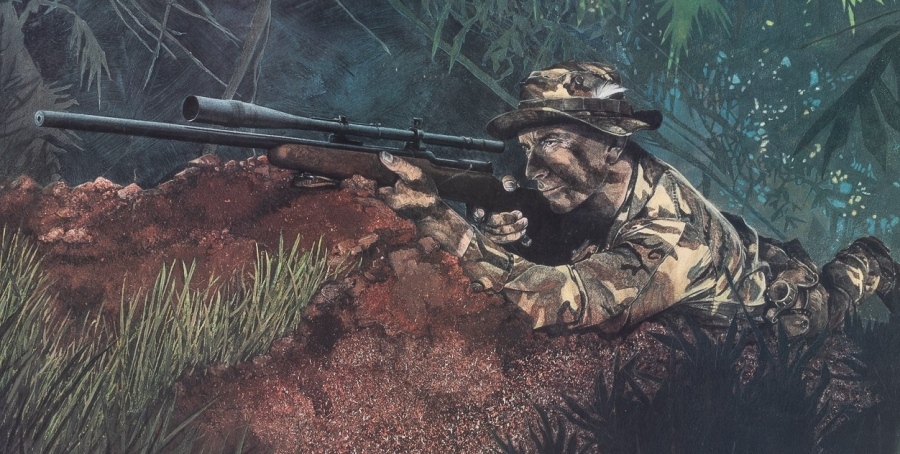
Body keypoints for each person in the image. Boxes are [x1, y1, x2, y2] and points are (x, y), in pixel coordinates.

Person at [378, 60, 900, 338]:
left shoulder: (668, 235)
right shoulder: (598, 183)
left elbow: (567, 302)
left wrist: (442, 223)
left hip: (770, 303)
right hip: (735, 245)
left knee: (827, 305)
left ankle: (872, 261)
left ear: (612, 144)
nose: (532, 169)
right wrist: (510, 235)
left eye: (552, 141)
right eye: (529, 147)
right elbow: (572, 242)